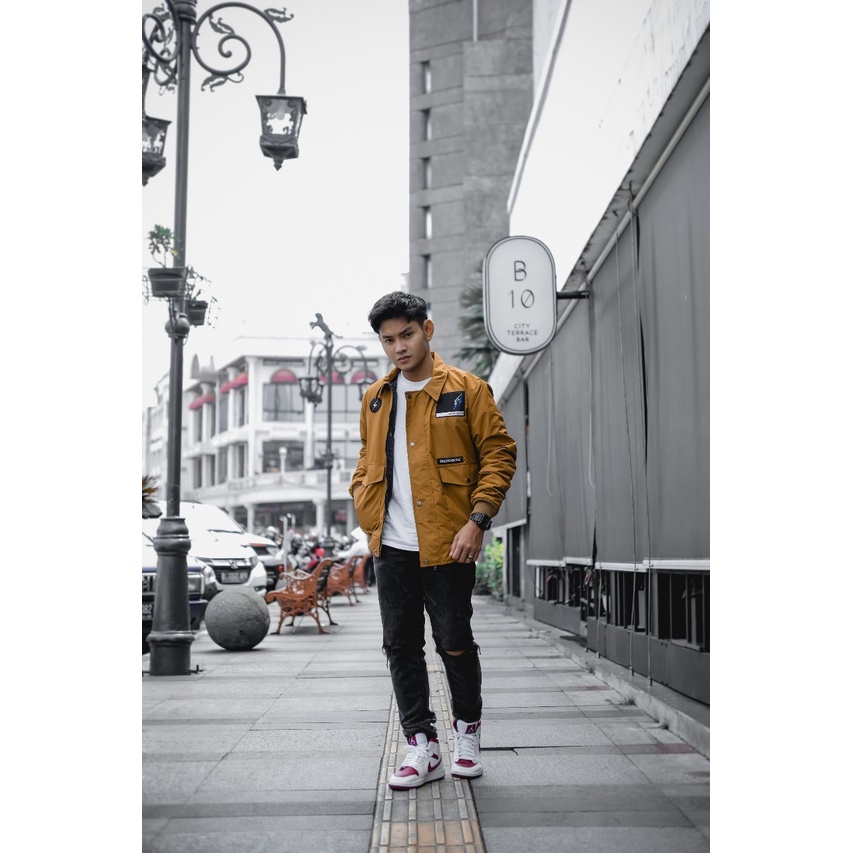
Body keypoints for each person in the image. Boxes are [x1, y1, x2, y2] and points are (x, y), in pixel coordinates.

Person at [350, 291, 517, 790]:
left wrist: (478, 520)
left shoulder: (468, 390)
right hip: (392, 545)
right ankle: (421, 745)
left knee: (455, 643)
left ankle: (467, 734)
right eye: (388, 340)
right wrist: (363, 504)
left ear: (427, 329)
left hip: (449, 541)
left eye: (406, 335)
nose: (398, 348)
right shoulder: (376, 398)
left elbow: (499, 455)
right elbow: (366, 460)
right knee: (400, 646)